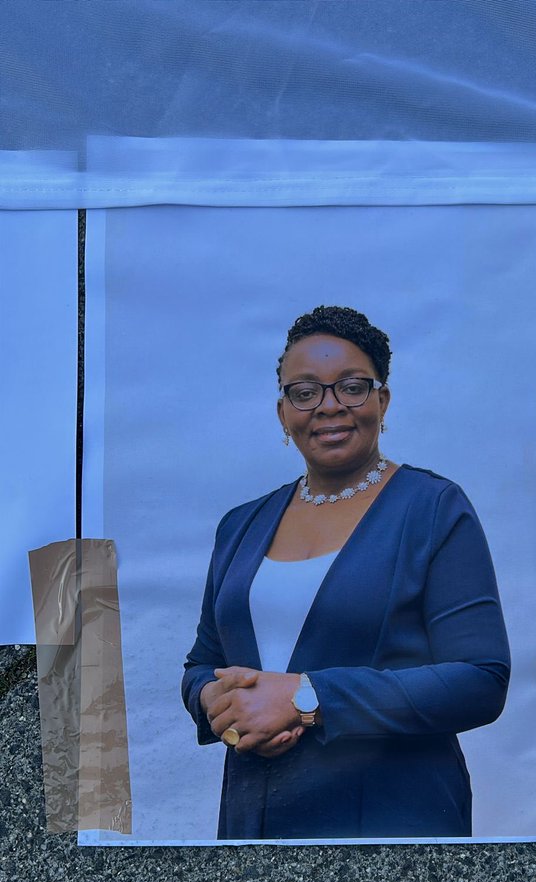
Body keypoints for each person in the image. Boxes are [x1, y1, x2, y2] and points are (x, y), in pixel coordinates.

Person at [181, 305, 510, 840]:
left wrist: (308, 697)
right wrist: (210, 699)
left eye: (352, 387)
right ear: (283, 412)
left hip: (390, 822)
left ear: (383, 400)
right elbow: (205, 662)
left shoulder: (432, 509)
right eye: (305, 392)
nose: (329, 407)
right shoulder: (240, 526)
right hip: (254, 821)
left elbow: (480, 679)